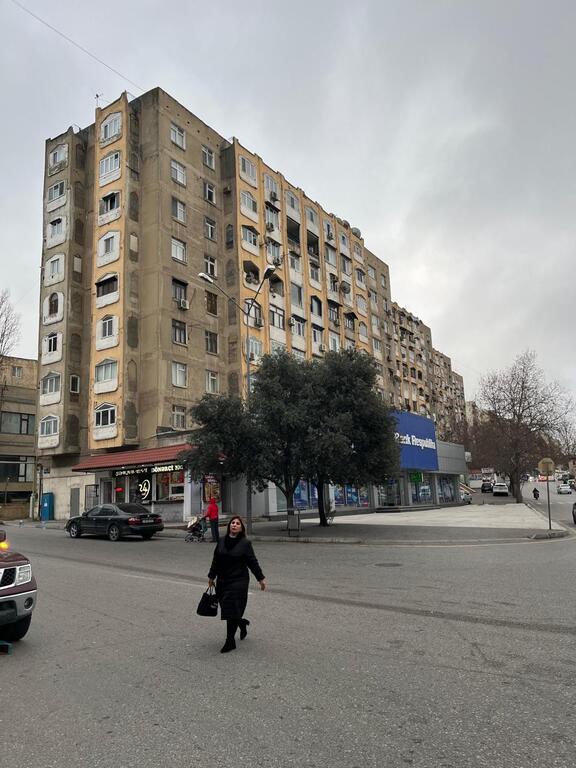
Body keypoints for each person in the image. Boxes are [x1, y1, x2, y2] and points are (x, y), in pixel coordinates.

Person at [207, 515, 266, 653]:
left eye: (237, 523)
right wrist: (211, 576)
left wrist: (260, 578)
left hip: (238, 580)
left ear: (241, 528)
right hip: (223, 580)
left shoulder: (245, 544)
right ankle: (241, 623)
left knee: (231, 608)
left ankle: (230, 641)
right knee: (228, 609)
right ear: (229, 526)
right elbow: (216, 560)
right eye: (232, 523)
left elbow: (252, 562)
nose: (234, 525)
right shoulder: (221, 541)